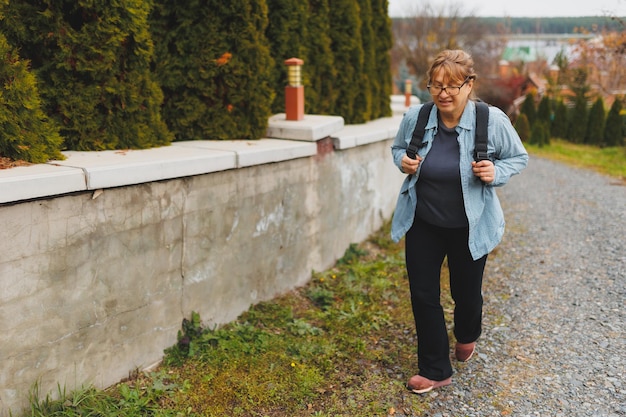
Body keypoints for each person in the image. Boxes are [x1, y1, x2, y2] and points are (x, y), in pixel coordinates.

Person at [390, 49, 528, 394]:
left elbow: (518, 157)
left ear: (470, 84)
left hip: (471, 224)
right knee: (423, 294)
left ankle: (467, 334)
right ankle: (435, 369)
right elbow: (398, 150)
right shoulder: (417, 117)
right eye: (436, 85)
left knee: (466, 295)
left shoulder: (491, 121)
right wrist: (404, 163)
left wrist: (496, 171)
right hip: (424, 222)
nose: (443, 93)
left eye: (452, 85)